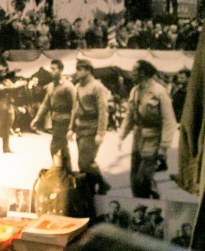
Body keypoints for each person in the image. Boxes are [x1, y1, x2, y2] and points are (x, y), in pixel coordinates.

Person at [121, 59, 177, 198]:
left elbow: (169, 120)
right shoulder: (135, 91)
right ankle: (148, 195)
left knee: (143, 178)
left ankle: (149, 198)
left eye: (135, 70)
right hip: (138, 138)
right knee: (134, 179)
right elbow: (129, 115)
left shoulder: (159, 92)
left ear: (143, 73)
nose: (132, 73)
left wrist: (164, 146)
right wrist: (122, 135)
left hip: (153, 138)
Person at [70, 58, 112, 195]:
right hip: (81, 128)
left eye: (80, 69)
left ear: (88, 70)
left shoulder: (97, 87)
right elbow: (75, 110)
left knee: (84, 162)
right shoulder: (78, 87)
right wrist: (71, 128)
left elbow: (103, 111)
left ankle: (97, 186)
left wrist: (101, 133)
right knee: (86, 162)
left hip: (92, 128)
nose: (77, 72)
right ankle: (97, 185)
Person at [32, 59, 75, 170]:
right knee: (61, 148)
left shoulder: (68, 87)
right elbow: (45, 104)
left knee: (56, 147)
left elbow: (75, 108)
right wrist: (37, 118)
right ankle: (63, 171)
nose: (51, 71)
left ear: (61, 70)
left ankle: (63, 171)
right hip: (55, 120)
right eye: (50, 69)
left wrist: (72, 127)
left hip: (65, 120)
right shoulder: (51, 86)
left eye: (54, 69)